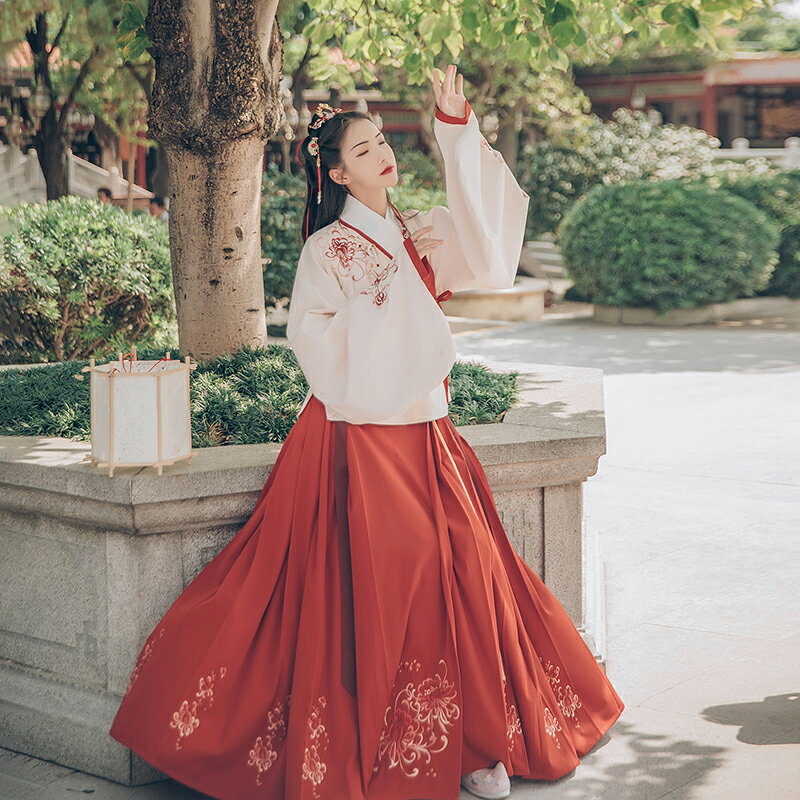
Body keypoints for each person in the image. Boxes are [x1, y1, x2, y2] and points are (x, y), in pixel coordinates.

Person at [108, 64, 624, 800]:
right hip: (360, 437)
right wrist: (391, 299)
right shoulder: (329, 253)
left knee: (470, 577)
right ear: (339, 176)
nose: (382, 154)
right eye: (362, 150)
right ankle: (394, 748)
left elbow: (487, 250)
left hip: (429, 435)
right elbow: (318, 347)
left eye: (383, 140)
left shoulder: (418, 230)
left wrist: (454, 130)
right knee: (389, 584)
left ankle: (478, 743)